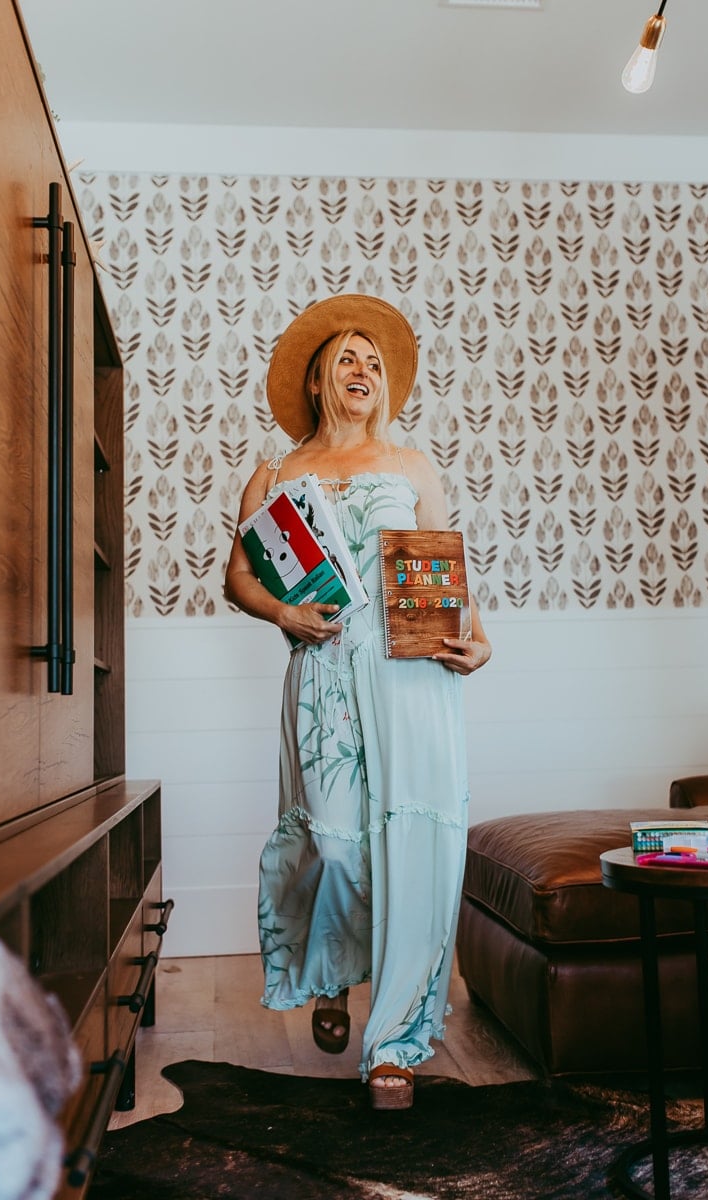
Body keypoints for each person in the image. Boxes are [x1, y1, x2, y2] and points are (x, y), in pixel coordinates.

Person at [224, 294, 491, 1110]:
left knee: (414, 846)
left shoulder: (413, 467)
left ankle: (398, 1047)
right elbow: (236, 575)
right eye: (346, 357)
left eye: (373, 361)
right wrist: (281, 612)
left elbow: (447, 570)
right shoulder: (276, 475)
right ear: (315, 380)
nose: (362, 370)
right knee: (336, 845)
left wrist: (478, 639)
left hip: (412, 674)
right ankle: (334, 973)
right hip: (325, 673)